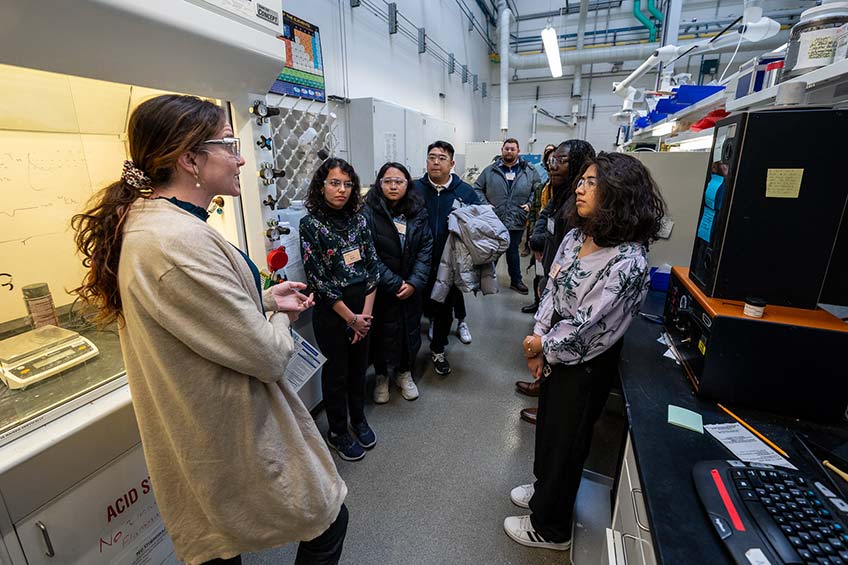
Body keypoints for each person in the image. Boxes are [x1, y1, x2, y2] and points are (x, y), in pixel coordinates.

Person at [71, 94, 348, 565]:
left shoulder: (166, 225)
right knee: (324, 520)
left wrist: (263, 300)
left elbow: (199, 313)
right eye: (229, 144)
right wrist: (281, 316)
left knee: (224, 546)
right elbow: (268, 356)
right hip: (224, 426)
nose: (241, 157)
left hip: (216, 420)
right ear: (189, 159)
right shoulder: (173, 241)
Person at [504, 152, 666, 551]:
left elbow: (588, 327)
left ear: (619, 194)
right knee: (549, 434)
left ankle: (551, 528)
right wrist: (537, 336)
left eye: (592, 183)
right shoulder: (577, 236)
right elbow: (552, 291)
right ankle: (545, 492)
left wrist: (541, 345)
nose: (579, 187)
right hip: (553, 352)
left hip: (585, 364)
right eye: (582, 181)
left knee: (567, 443)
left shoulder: (629, 261)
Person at [301, 158, 380, 462]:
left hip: (364, 304)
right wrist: (352, 319)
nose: (342, 190)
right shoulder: (311, 224)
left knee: (359, 367)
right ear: (321, 186)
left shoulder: (360, 219)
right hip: (334, 310)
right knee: (336, 372)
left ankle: (358, 419)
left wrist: (365, 318)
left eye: (348, 184)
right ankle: (337, 431)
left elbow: (372, 267)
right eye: (335, 183)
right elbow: (318, 279)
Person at [515, 139, 596, 423]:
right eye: (553, 159)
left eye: (561, 160)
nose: (553, 164)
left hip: (568, 288)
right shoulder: (561, 194)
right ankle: (543, 388)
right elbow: (545, 216)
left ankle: (549, 405)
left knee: (558, 344)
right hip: (552, 273)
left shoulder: (580, 204)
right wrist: (538, 239)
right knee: (548, 335)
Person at [362, 162, 432, 403]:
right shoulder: (368, 211)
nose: (393, 186)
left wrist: (413, 282)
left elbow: (426, 248)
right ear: (379, 183)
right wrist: (393, 283)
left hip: (411, 287)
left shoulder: (418, 210)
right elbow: (368, 252)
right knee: (381, 332)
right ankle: (381, 376)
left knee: (408, 331)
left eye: (399, 181)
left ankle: (404, 373)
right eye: (387, 181)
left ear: (407, 184)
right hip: (380, 289)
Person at [414, 140, 481, 376]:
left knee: (444, 309)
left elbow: (479, 226)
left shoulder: (466, 192)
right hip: (417, 263)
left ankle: (438, 350)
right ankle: (409, 356)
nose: (435, 161)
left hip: (450, 263)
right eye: (431, 157)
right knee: (414, 309)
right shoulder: (414, 190)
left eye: (442, 158)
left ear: (452, 163)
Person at [473, 138, 542, 295]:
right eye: (506, 148)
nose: (509, 151)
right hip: (494, 219)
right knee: (492, 251)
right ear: (502, 150)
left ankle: (516, 281)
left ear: (518, 151)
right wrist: (485, 204)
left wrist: (530, 204)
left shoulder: (529, 171)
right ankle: (486, 281)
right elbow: (477, 188)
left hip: (517, 217)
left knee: (512, 251)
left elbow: (537, 190)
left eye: (512, 149)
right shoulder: (490, 170)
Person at [521, 143, 557, 310]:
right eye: (549, 162)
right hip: (541, 235)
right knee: (539, 272)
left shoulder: (565, 191)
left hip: (555, 240)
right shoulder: (543, 188)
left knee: (552, 276)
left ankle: (548, 309)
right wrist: (534, 237)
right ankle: (537, 303)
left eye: (555, 161)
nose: (552, 165)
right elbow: (537, 212)